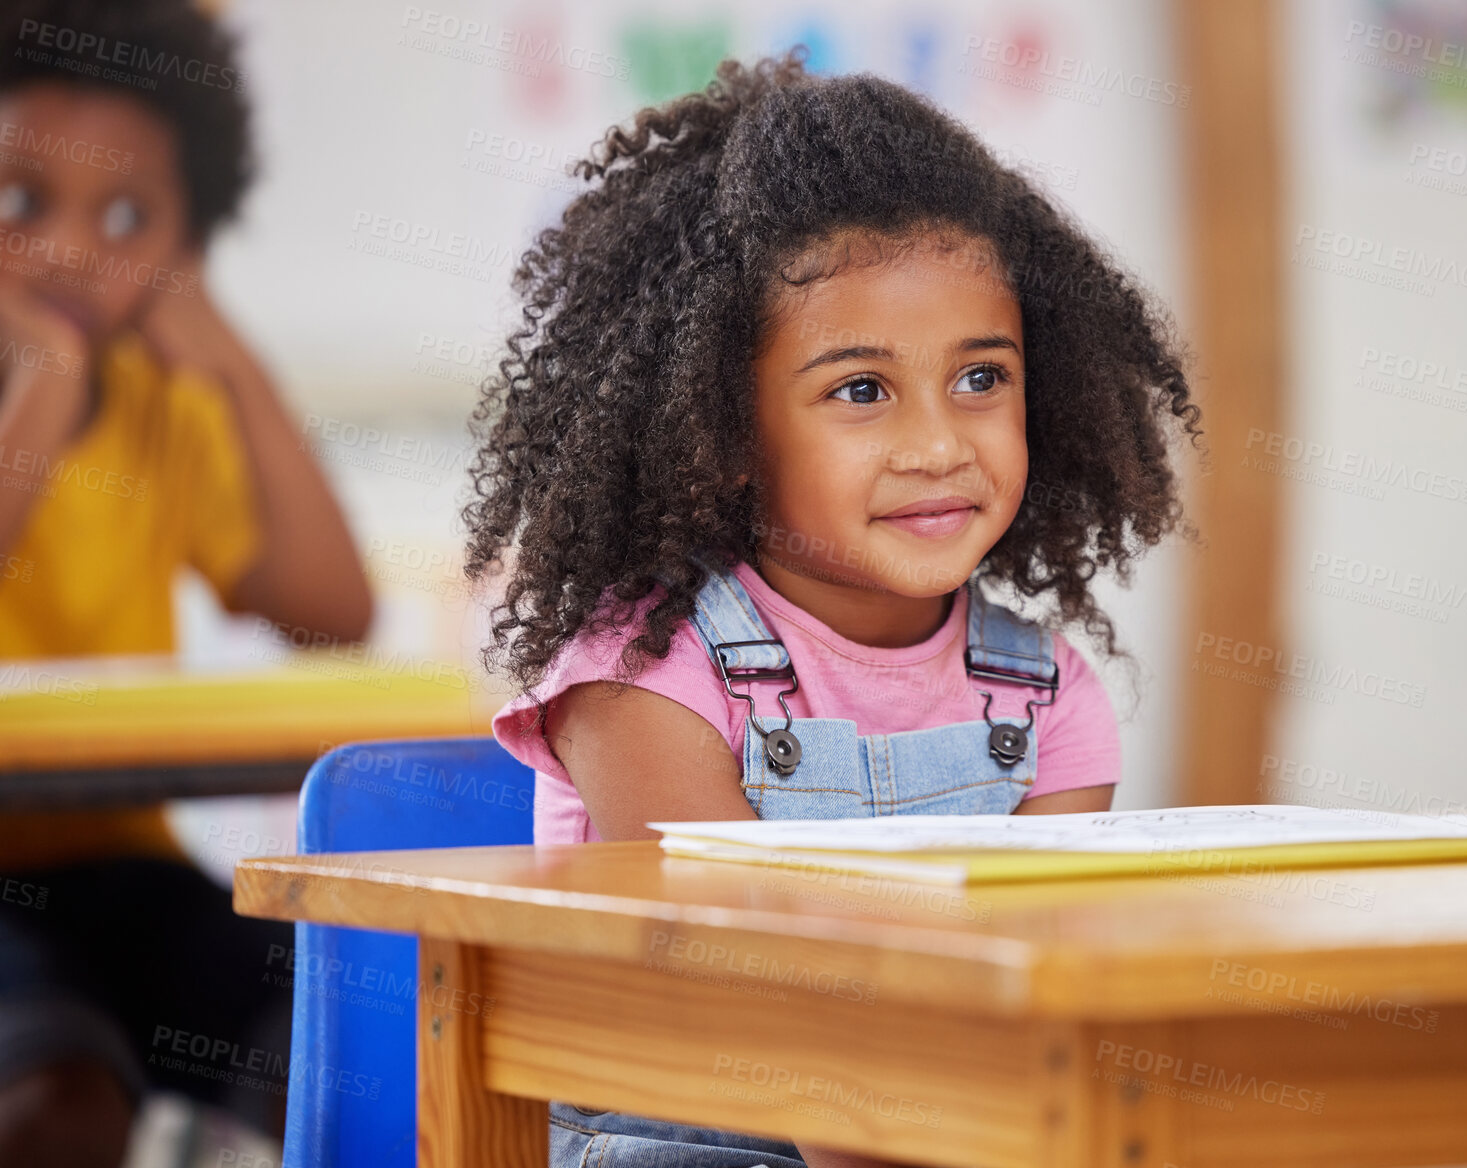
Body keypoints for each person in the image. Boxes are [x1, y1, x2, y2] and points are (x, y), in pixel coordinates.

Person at [470, 50, 1199, 1168]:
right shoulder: (644, 674)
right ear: (718, 431)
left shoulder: (1047, 697)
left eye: (980, 377)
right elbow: (754, 1009)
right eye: (860, 391)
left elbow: (1043, 995)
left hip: (950, 1126)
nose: (938, 444)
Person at [0, 1, 372, 1164]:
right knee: (54, 1108)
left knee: (344, 1046)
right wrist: (41, 390)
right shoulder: (59, 391)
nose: (69, 249)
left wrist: (224, 350)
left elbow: (332, 610)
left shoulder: (164, 404)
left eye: (126, 219)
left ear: (184, 245)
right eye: (19, 202)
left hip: (127, 865)